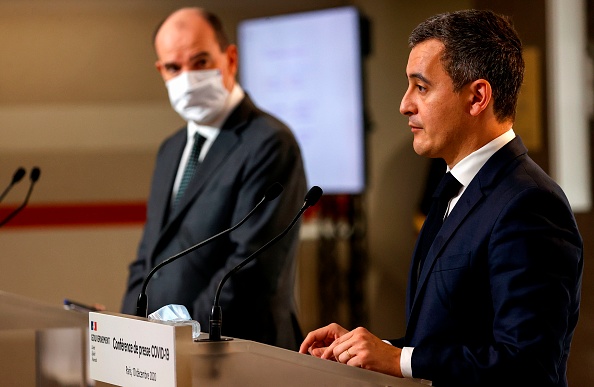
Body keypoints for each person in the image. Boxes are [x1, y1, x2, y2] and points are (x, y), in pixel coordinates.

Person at [300, 9, 583, 386]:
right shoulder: (452, 188)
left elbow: (528, 365)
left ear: (477, 96)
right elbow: (445, 342)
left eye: (421, 87)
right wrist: (368, 350)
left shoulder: (529, 204)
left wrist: (399, 359)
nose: (404, 105)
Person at [121, 7, 307, 351]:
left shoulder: (269, 142)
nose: (187, 76)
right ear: (161, 70)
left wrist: (181, 336)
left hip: (235, 349)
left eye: (201, 61)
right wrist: (130, 330)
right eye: (174, 67)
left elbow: (247, 271)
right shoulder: (171, 148)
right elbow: (148, 256)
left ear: (230, 59)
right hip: (163, 354)